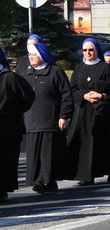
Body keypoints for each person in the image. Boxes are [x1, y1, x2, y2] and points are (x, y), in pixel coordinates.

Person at [21, 43, 72, 194]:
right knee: (34, 156)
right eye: (30, 55)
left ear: (42, 56)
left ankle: (44, 181)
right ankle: (43, 181)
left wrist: (64, 115)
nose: (31, 58)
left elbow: (66, 96)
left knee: (48, 155)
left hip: (50, 121)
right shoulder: (26, 75)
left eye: (34, 55)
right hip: (31, 123)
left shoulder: (55, 73)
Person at [67, 38, 110, 186]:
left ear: (96, 51)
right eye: (85, 50)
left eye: (91, 50)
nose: (88, 53)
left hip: (103, 112)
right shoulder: (78, 68)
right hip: (83, 111)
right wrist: (84, 96)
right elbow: (73, 90)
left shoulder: (105, 68)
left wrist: (101, 96)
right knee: (84, 143)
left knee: (103, 142)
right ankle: (86, 175)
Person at [0, 47, 35, 202]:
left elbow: (28, 97)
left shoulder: (10, 78)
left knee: (5, 161)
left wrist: (15, 112)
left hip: (8, 130)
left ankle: (2, 190)